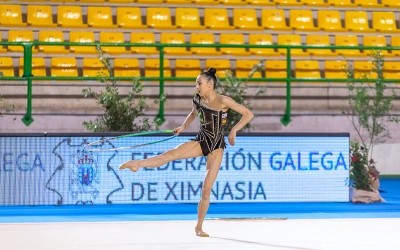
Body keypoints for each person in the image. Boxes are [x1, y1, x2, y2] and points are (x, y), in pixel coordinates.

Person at [119, 68, 254, 237]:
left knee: (206, 190)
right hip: (201, 141)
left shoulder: (223, 100)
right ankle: (136, 164)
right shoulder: (198, 99)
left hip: (217, 146)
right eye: (196, 83)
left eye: (199, 83)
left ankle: (199, 227)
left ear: (210, 84)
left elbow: (248, 114)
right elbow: (193, 113)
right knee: (170, 154)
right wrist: (183, 127)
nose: (196, 86)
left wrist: (234, 130)